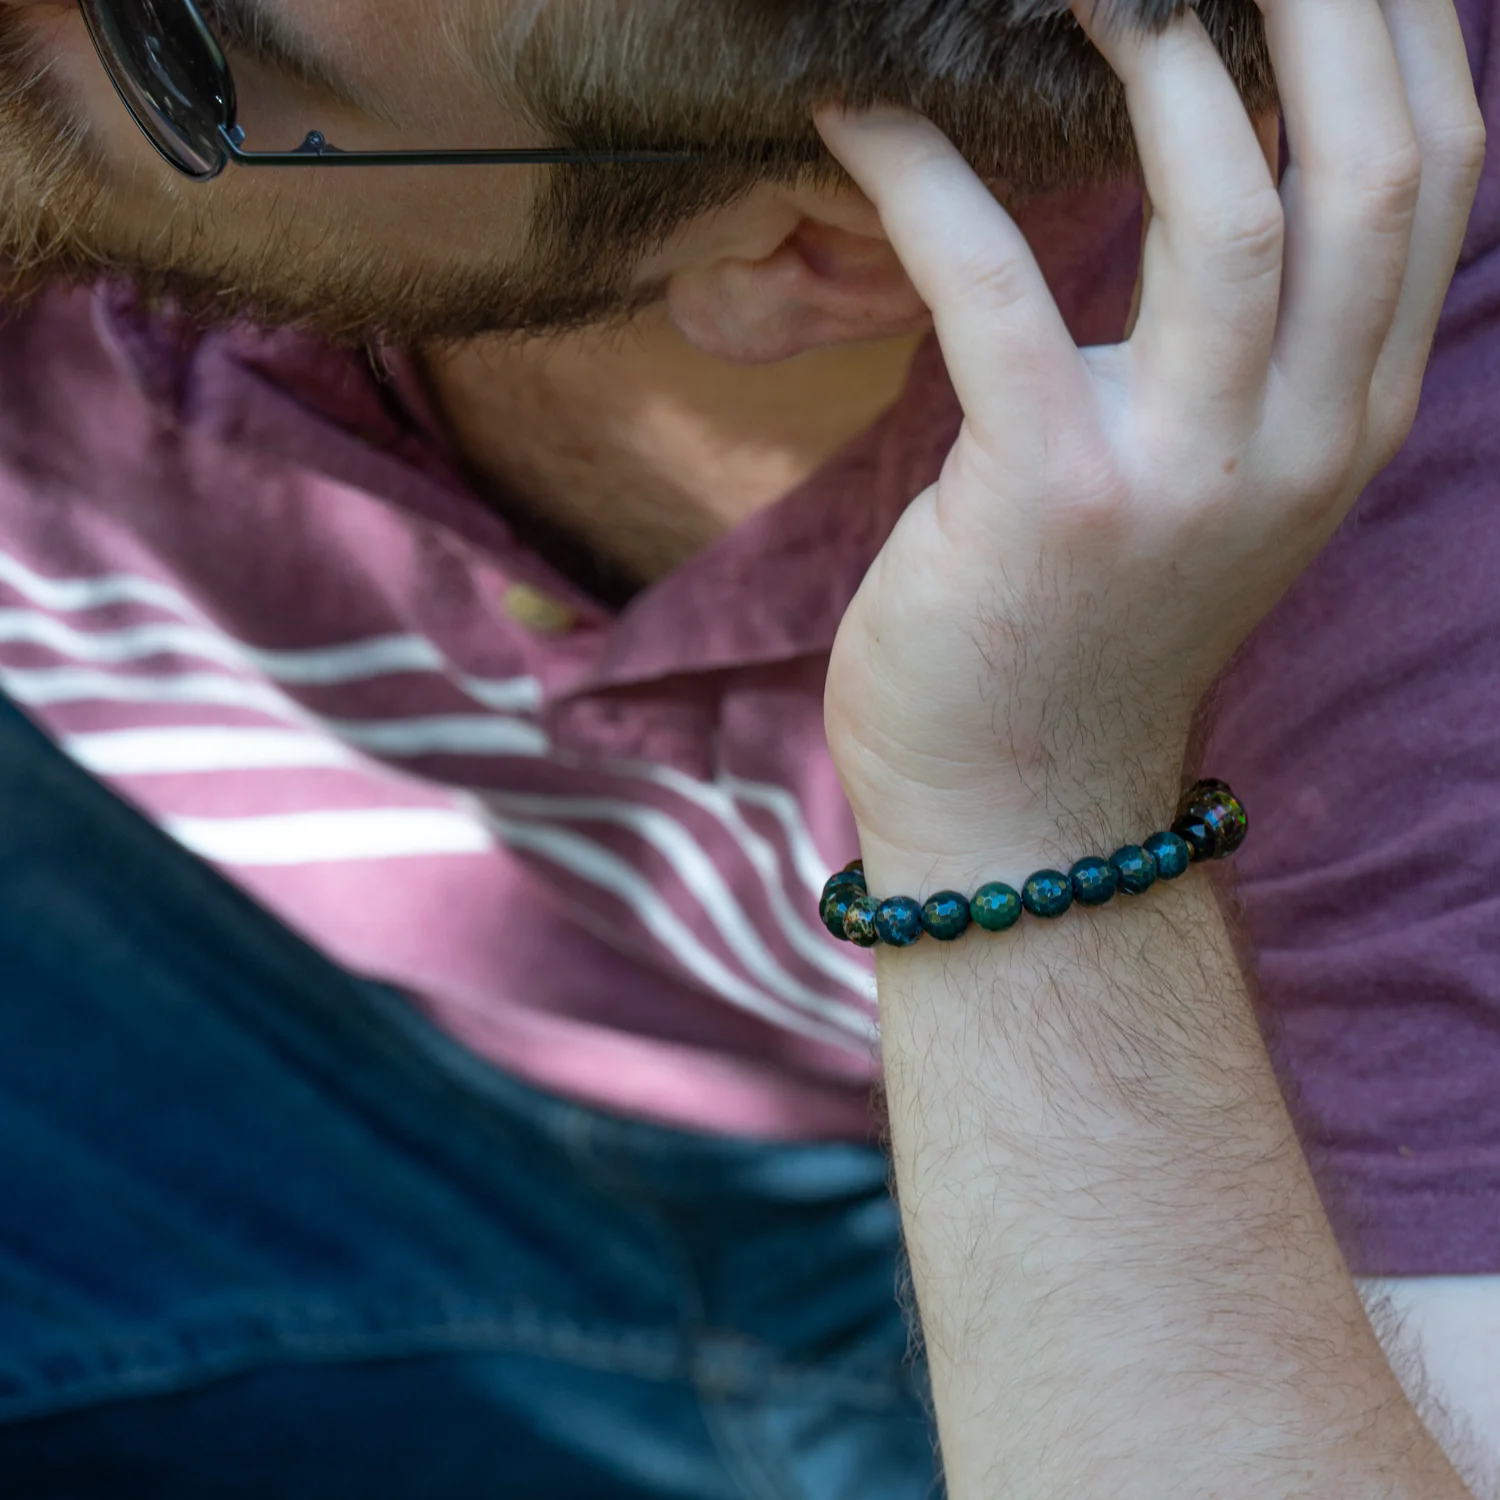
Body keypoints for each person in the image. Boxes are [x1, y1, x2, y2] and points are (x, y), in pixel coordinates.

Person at [0, 0, 1492, 1494]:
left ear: (805, 260)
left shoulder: (1431, 588)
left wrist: (1029, 787)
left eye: (170, 39)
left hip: (1042, 1244)